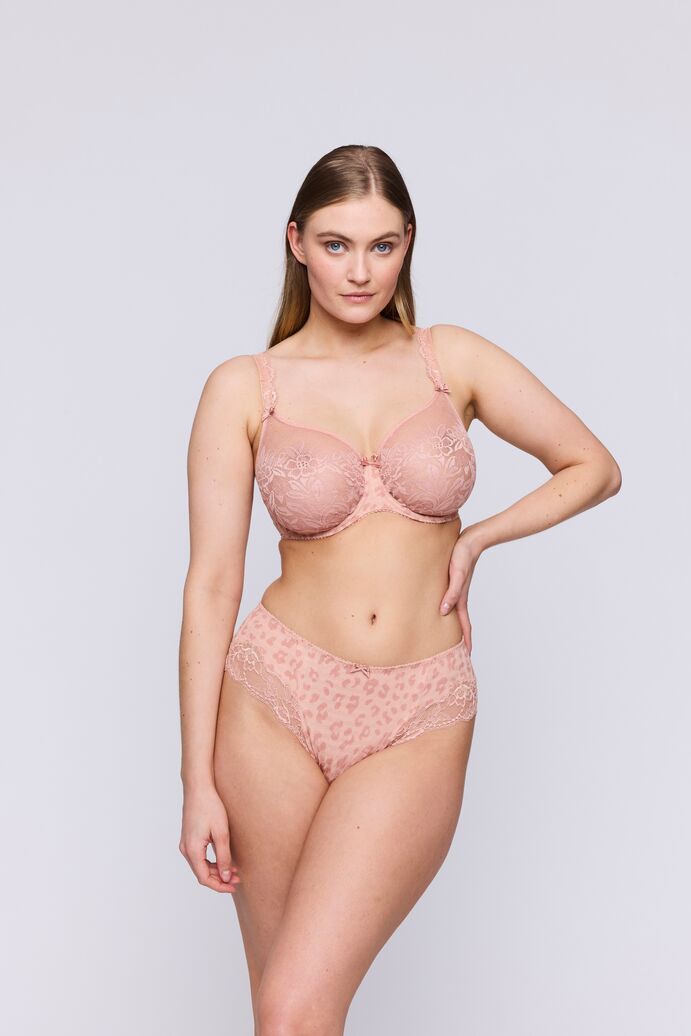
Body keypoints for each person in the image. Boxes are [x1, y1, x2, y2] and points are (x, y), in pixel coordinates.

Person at [178, 143, 621, 1035]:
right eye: (336, 244)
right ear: (296, 243)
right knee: (286, 1017)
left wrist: (481, 537)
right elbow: (212, 586)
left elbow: (593, 466)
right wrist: (196, 782)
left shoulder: (447, 358)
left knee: (297, 1005)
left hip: (419, 707)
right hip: (274, 697)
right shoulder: (244, 387)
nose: (360, 271)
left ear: (408, 243)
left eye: (382, 246)